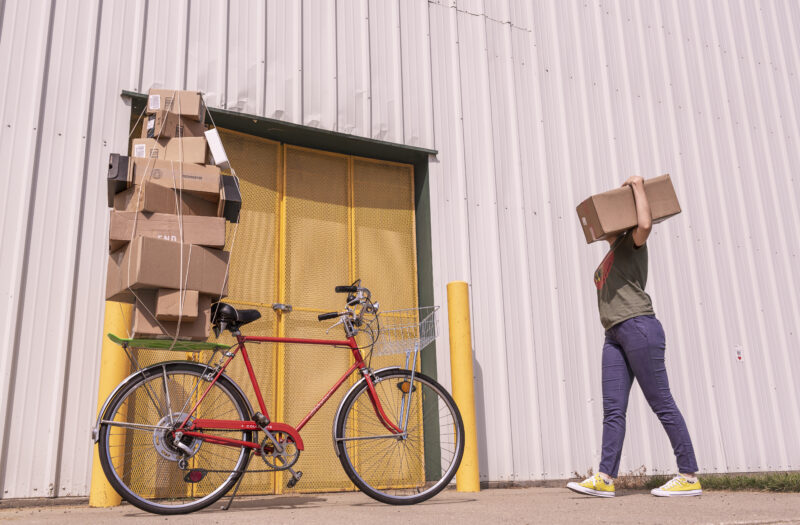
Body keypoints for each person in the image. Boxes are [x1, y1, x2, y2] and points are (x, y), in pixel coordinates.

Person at [567, 176, 701, 498]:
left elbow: (645, 223)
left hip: (638, 326)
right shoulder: (610, 252)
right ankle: (605, 477)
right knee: (613, 409)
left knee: (661, 402)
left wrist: (638, 186)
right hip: (613, 334)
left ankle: (688, 475)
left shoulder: (632, 241)